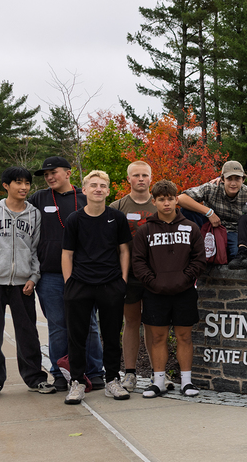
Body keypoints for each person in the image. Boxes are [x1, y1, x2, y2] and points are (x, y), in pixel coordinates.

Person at [0, 156, 105, 390]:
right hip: (50, 275)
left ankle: (94, 370)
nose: (49, 177)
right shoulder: (39, 198)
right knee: (57, 325)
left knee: (88, 324)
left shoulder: (86, 196)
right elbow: (12, 205)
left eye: (53, 172)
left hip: (84, 275)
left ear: (68, 173)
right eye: (45, 174)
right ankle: (60, 373)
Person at [0, 166, 51, 399]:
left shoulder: (34, 214)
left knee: (28, 334)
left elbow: (35, 249)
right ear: (6, 185)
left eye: (26, 183)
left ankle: (35, 378)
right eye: (18, 182)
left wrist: (33, 277)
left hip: (22, 284)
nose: (24, 187)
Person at [61, 170, 133, 404]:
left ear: (109, 191)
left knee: (112, 336)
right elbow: (67, 254)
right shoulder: (75, 219)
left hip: (111, 284)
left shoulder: (117, 218)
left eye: (103, 185)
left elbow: (124, 250)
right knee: (77, 337)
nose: (98, 189)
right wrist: (69, 283)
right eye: (93, 185)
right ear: (84, 190)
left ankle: (112, 380)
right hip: (80, 284)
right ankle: (77, 382)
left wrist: (122, 281)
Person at [131, 180, 207, 398]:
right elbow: (138, 262)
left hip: (184, 292)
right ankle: (158, 382)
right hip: (155, 293)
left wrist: (184, 279)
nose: (166, 203)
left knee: (184, 336)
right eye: (161, 199)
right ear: (154, 201)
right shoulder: (145, 230)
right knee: (157, 338)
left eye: (170, 198)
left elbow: (199, 260)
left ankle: (186, 382)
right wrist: (153, 283)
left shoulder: (191, 227)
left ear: (176, 201)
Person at [177, 160, 247, 259]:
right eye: (229, 179)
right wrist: (209, 212)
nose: (233, 183)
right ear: (222, 179)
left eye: (237, 179)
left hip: (234, 231)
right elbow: (181, 199)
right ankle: (190, 249)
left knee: (235, 256)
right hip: (210, 227)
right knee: (186, 212)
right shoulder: (211, 188)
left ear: (243, 180)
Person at [109, 160, 156, 393]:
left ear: (151, 178)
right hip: (128, 275)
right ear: (128, 179)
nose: (140, 179)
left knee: (152, 324)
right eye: (136, 175)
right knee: (131, 322)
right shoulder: (117, 206)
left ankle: (158, 374)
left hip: (155, 275)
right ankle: (129, 373)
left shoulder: (161, 205)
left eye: (144, 175)